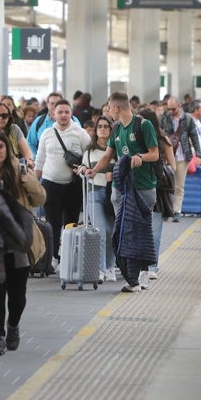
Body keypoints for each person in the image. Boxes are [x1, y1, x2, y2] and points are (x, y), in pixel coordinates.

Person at [86, 92, 159, 293]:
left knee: (141, 231)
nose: (108, 111)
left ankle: (144, 272)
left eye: (109, 107)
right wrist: (94, 170)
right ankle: (132, 278)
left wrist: (140, 157)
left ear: (117, 108)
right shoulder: (116, 128)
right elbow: (109, 155)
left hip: (143, 187)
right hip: (120, 189)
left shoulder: (143, 125)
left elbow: (155, 153)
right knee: (124, 233)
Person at [0, 129, 45, 356]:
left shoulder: (19, 170)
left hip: (19, 242)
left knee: (18, 295)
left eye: (0, 147)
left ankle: (13, 326)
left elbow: (40, 199)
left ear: (6, 148)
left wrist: (28, 181)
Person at [34, 99, 90, 269]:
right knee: (53, 223)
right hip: (51, 184)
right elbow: (40, 159)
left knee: (71, 223)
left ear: (71, 113)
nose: (63, 115)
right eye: (60, 112)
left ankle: (68, 258)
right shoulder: (47, 133)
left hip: (73, 186)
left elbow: (89, 155)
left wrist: (84, 168)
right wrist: (34, 182)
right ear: (54, 114)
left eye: (66, 112)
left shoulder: (80, 133)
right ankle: (53, 258)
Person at [137, 108, 176, 284]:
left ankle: (152, 267)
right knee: (140, 230)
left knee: (154, 230)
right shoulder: (137, 140)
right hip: (140, 186)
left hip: (158, 191)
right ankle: (140, 266)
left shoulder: (163, 141)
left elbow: (173, 167)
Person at [82, 115, 116, 283]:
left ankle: (110, 267)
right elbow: (85, 170)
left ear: (111, 130)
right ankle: (101, 269)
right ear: (95, 131)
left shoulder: (116, 150)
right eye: (99, 126)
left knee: (112, 232)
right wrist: (83, 170)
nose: (102, 129)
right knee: (101, 231)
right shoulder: (89, 151)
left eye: (106, 126)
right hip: (94, 193)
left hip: (113, 195)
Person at [160, 96, 201, 222]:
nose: (171, 111)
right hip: (167, 156)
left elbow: (194, 136)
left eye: (173, 109)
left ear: (180, 106)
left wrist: (199, 155)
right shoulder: (164, 117)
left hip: (183, 157)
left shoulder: (188, 119)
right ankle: (167, 210)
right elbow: (160, 134)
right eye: (169, 109)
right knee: (166, 184)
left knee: (179, 186)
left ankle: (177, 211)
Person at [27, 92, 81, 159]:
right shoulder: (39, 121)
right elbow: (30, 143)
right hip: (44, 166)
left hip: (69, 165)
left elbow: (81, 141)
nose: (55, 106)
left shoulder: (73, 120)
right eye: (52, 103)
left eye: (58, 103)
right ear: (47, 105)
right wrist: (36, 159)